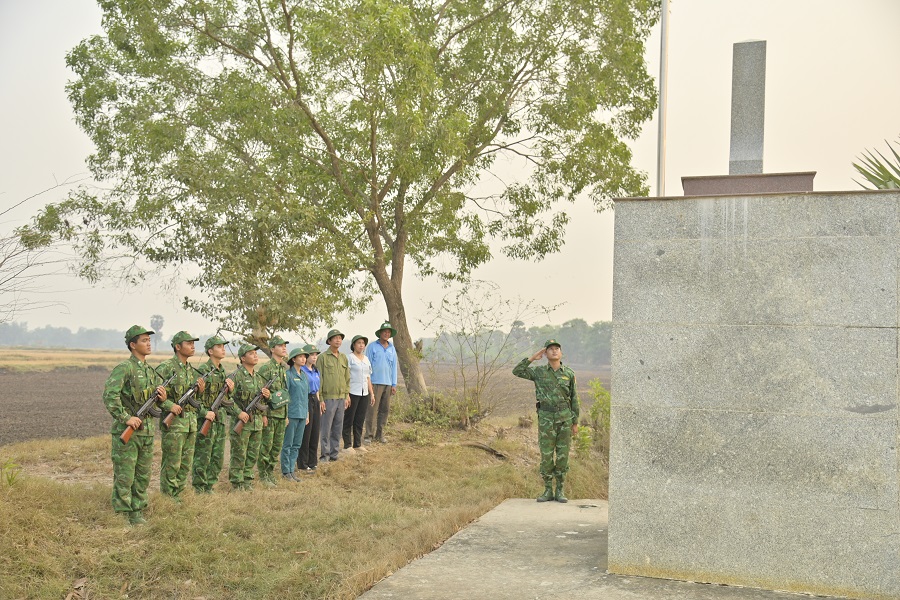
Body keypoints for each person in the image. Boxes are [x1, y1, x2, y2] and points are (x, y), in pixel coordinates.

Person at [102, 325, 167, 525]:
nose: (148, 344)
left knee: (143, 474)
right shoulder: (125, 368)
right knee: (125, 474)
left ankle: (137, 510)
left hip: (146, 431)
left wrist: (163, 399)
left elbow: (152, 402)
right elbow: (109, 396)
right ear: (132, 345)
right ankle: (122, 514)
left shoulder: (150, 371)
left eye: (149, 340)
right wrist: (125, 418)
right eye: (144, 341)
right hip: (128, 431)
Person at [512, 339, 580, 503]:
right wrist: (533, 358)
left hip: (564, 419)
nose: (554, 351)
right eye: (550, 349)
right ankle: (548, 489)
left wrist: (575, 422)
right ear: (545, 353)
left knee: (563, 456)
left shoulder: (569, 373)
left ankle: (560, 490)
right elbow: (517, 371)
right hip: (546, 420)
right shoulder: (539, 372)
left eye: (557, 348)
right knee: (547, 456)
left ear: (561, 353)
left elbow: (574, 398)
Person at [157, 330, 205, 500]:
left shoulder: (191, 371)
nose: (193, 346)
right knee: (172, 462)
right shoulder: (166, 368)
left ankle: (179, 493)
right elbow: (155, 394)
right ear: (178, 347)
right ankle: (168, 496)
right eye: (189, 343)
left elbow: (196, 400)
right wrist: (170, 405)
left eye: (193, 343)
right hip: (175, 424)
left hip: (191, 423)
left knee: (186, 463)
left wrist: (200, 391)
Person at [192, 335, 235, 494]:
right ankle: (199, 487)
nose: (223, 349)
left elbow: (227, 399)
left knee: (217, 457)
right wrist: (205, 412)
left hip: (219, 420)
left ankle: (209, 486)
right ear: (210, 351)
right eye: (219, 346)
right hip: (206, 420)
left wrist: (230, 391)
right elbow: (193, 399)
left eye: (224, 346)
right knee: (203, 456)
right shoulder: (203, 371)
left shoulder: (222, 371)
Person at [229, 343, 271, 490]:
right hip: (242, 422)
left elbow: (263, 402)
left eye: (255, 353)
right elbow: (226, 399)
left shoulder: (259, 378)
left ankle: (247, 480)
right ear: (242, 358)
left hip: (257, 422)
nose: (255, 355)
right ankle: (237, 483)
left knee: (253, 454)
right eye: (251, 353)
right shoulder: (235, 376)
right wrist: (238, 412)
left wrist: (267, 396)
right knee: (239, 454)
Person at [257, 334, 290, 487]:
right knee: (266, 446)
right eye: (280, 345)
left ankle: (270, 472)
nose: (284, 348)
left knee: (276, 446)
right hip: (270, 414)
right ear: (272, 349)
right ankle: (263, 475)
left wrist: (286, 414)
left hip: (281, 414)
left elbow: (284, 394)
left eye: (285, 345)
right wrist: (263, 414)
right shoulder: (266, 368)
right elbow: (261, 394)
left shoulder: (283, 369)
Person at [318, 329, 350, 463]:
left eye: (340, 338)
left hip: (341, 398)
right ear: (329, 341)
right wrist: (321, 399)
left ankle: (334, 454)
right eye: (335, 338)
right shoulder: (323, 358)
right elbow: (319, 379)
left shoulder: (343, 357)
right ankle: (324, 455)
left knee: (337, 427)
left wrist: (347, 395)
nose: (338, 340)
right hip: (328, 398)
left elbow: (347, 378)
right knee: (326, 428)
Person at [365, 321, 398, 444]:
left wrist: (394, 384)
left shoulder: (392, 348)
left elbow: (394, 366)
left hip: (388, 383)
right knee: (372, 409)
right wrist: (369, 383)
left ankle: (380, 434)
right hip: (375, 383)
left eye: (388, 332)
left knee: (385, 410)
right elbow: (367, 366)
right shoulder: (372, 346)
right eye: (384, 332)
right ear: (380, 333)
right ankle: (368, 435)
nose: (386, 334)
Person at [281, 346, 310, 480]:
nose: (304, 359)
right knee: (288, 443)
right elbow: (285, 396)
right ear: (293, 359)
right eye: (300, 357)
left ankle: (292, 470)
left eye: (305, 357)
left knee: (297, 444)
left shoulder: (304, 375)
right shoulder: (288, 375)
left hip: (302, 414)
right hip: (292, 414)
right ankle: (286, 471)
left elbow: (305, 396)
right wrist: (285, 415)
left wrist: (307, 413)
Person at [344, 334, 374, 453]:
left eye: (363, 343)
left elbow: (368, 377)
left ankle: (357, 444)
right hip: (352, 392)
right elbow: (345, 376)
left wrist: (371, 393)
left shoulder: (366, 359)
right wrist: (346, 394)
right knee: (349, 419)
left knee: (360, 419)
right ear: (354, 345)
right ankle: (347, 445)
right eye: (359, 343)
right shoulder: (349, 358)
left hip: (364, 393)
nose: (361, 345)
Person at [297, 344, 322, 473]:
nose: (314, 357)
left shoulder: (316, 370)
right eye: (311, 354)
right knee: (306, 432)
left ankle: (313, 462)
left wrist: (319, 402)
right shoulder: (302, 371)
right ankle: (303, 463)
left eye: (315, 354)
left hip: (315, 400)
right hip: (305, 399)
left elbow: (317, 388)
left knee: (315, 431)